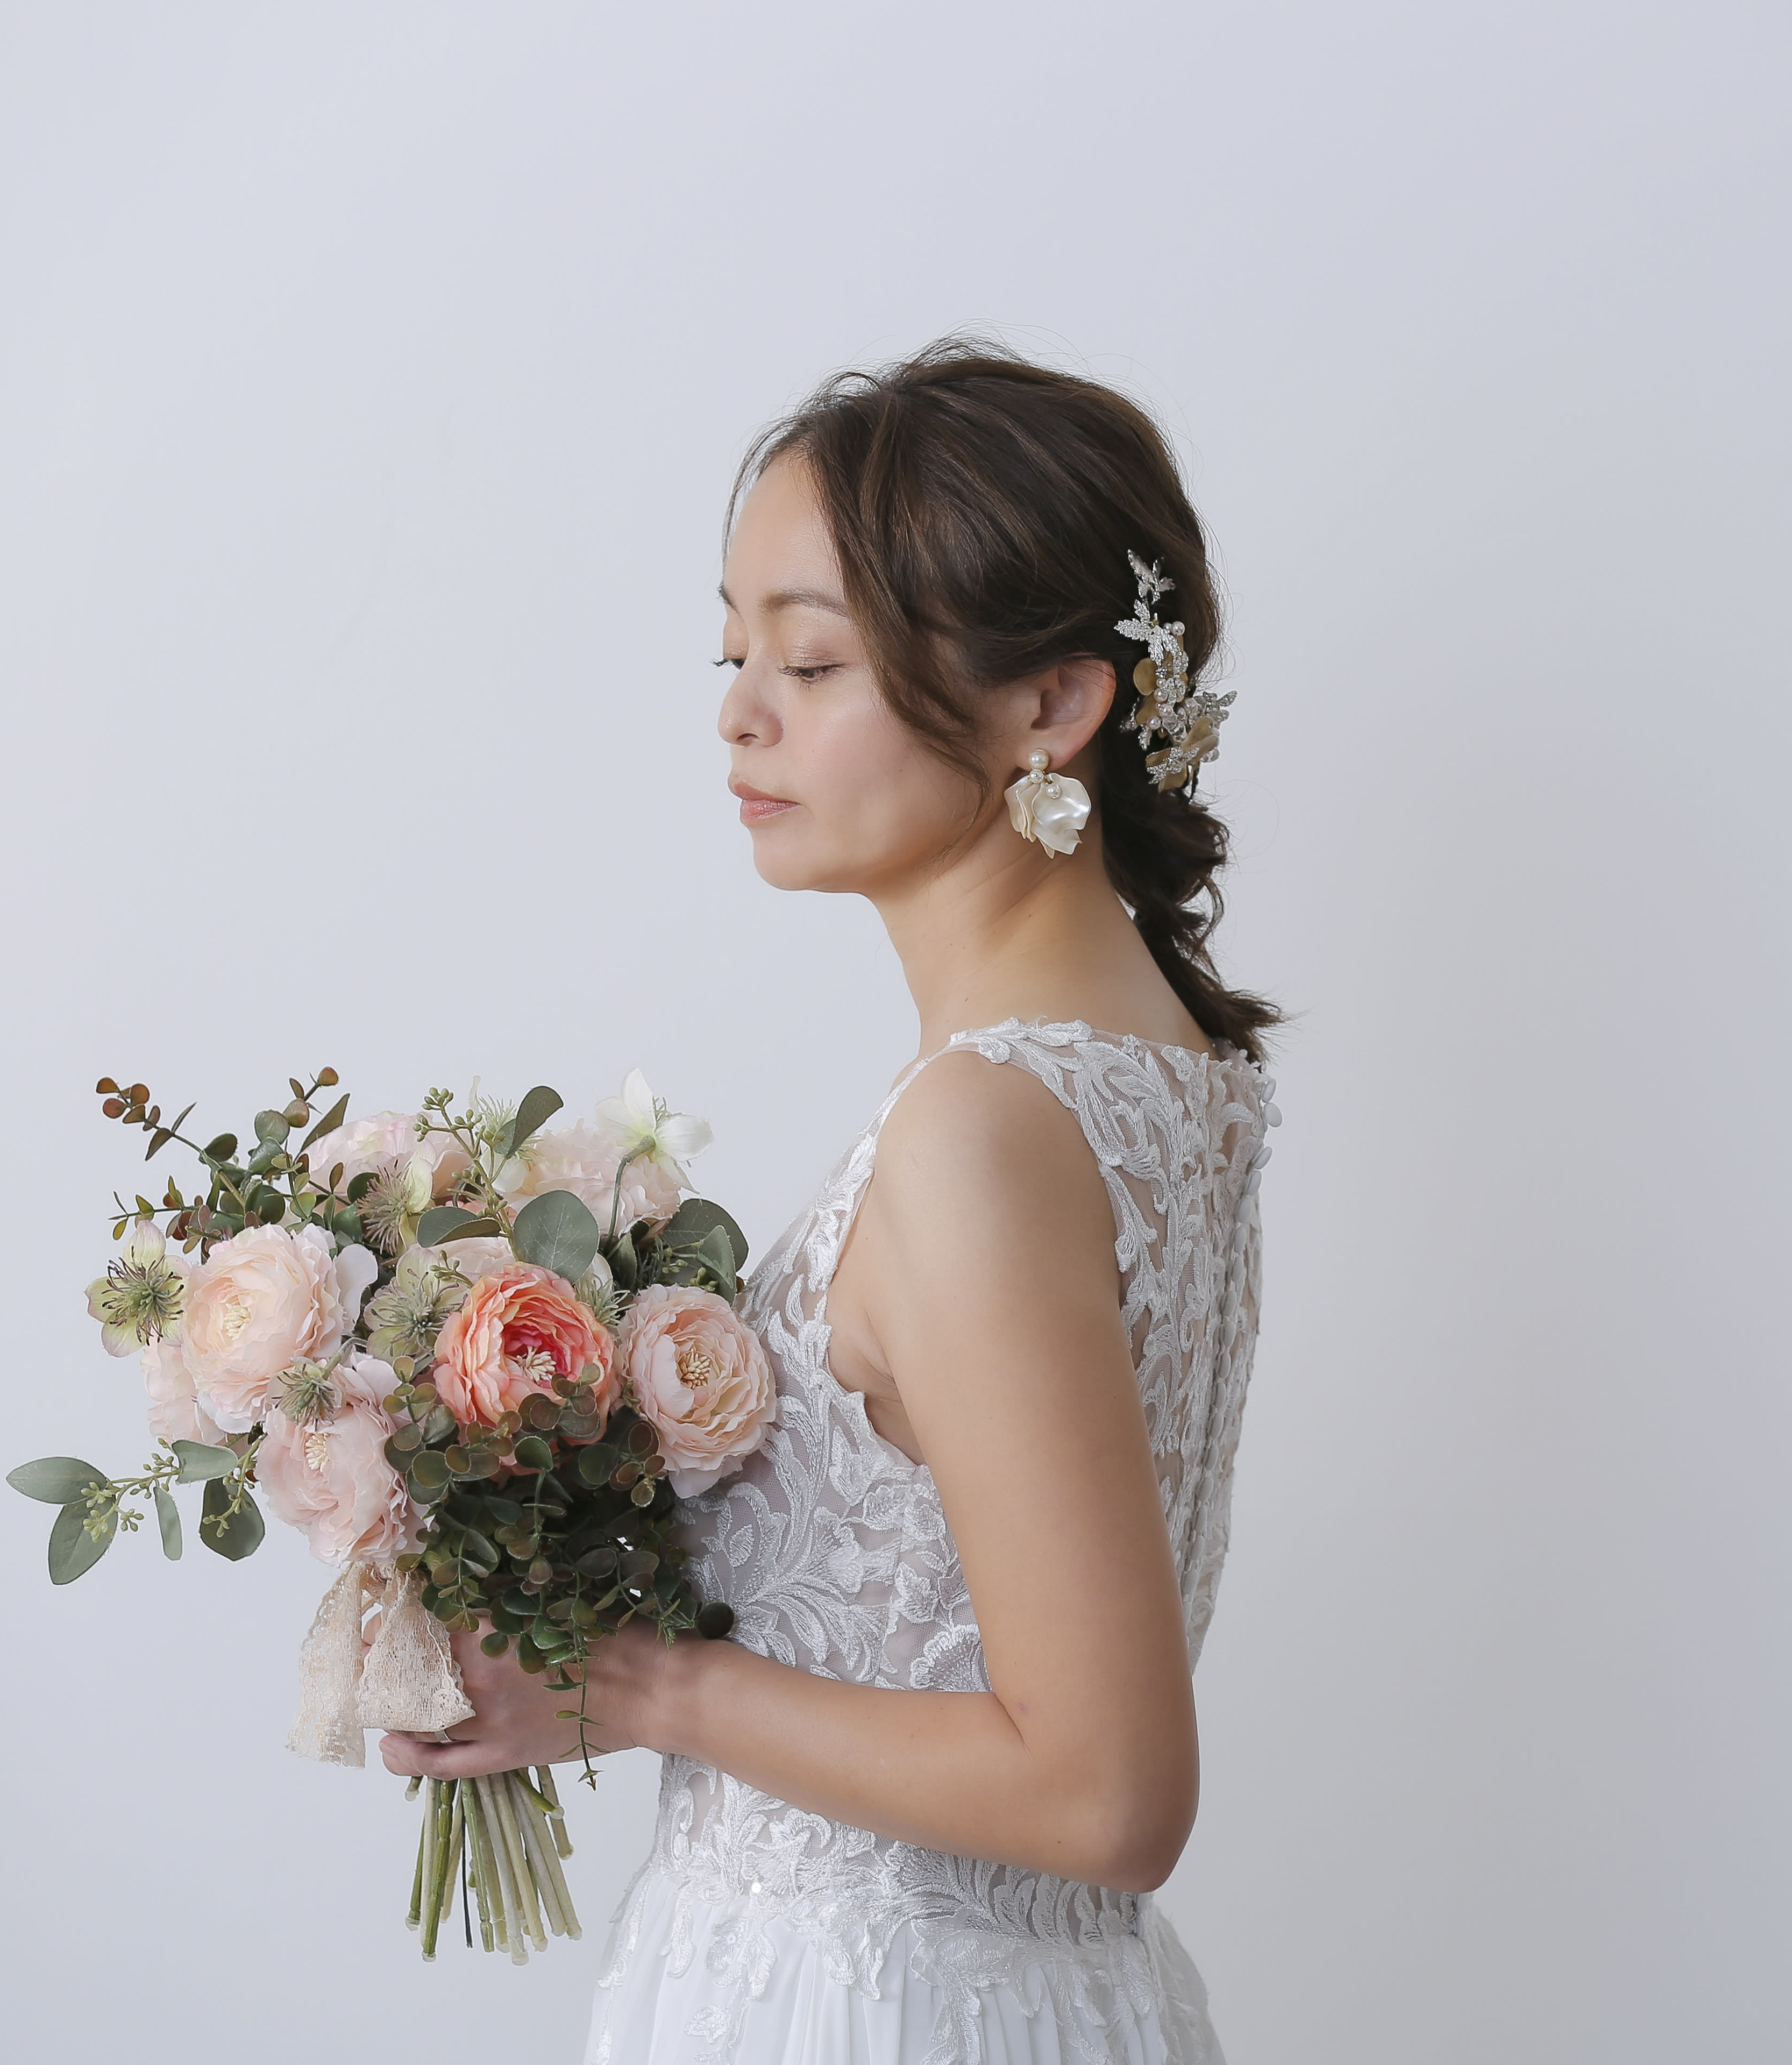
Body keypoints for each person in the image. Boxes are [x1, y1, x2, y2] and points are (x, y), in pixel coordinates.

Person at [383, 340, 1278, 2065]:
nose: (740, 712)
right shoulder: (1168, 1069)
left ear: (1052, 705)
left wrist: (640, 1680)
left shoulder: (982, 1129)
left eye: (810, 658)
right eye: (732, 652)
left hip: (872, 2011)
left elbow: (1105, 1793)